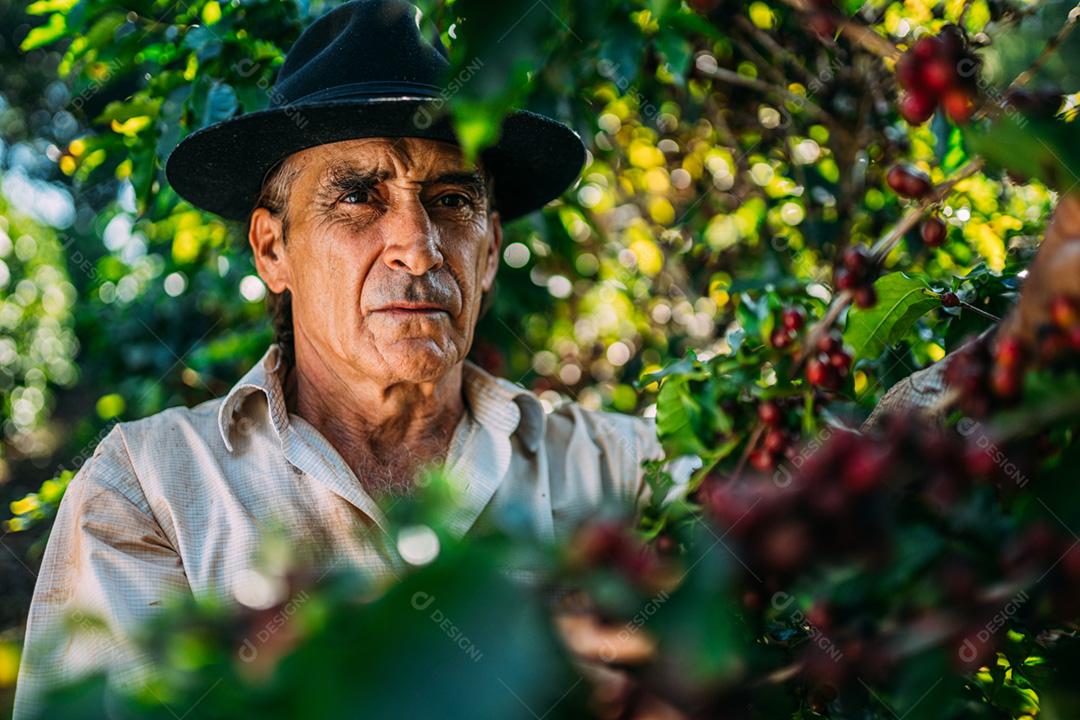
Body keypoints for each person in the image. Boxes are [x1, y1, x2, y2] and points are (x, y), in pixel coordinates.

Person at [14, 0, 1080, 716]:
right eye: (357, 195)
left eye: (451, 200)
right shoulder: (152, 482)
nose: (415, 245)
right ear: (270, 247)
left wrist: (1016, 371)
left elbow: (829, 547)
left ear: (490, 245)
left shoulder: (619, 467)